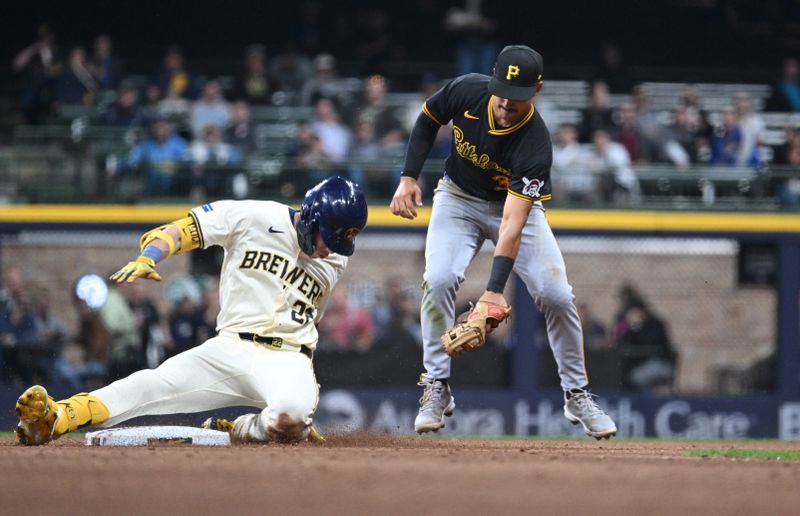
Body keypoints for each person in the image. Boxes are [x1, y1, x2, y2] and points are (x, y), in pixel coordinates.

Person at [14, 176, 368, 446]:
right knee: (151, 385)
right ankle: (56, 418)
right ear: (309, 216)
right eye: (328, 236)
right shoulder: (253, 215)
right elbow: (186, 230)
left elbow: (310, 318)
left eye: (341, 242)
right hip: (229, 348)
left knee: (290, 418)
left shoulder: (335, 261)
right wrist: (150, 256)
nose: (329, 249)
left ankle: (241, 431)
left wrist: (304, 388)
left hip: (288, 358)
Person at [389, 45, 617, 439]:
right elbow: (428, 119)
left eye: (518, 98)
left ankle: (576, 394)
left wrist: (494, 291)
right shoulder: (467, 90)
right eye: (502, 92)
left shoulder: (535, 143)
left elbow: (511, 224)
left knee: (556, 294)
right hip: (457, 198)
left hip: (512, 210)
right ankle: (436, 386)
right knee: (439, 278)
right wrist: (409, 176)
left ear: (538, 90)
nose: (506, 104)